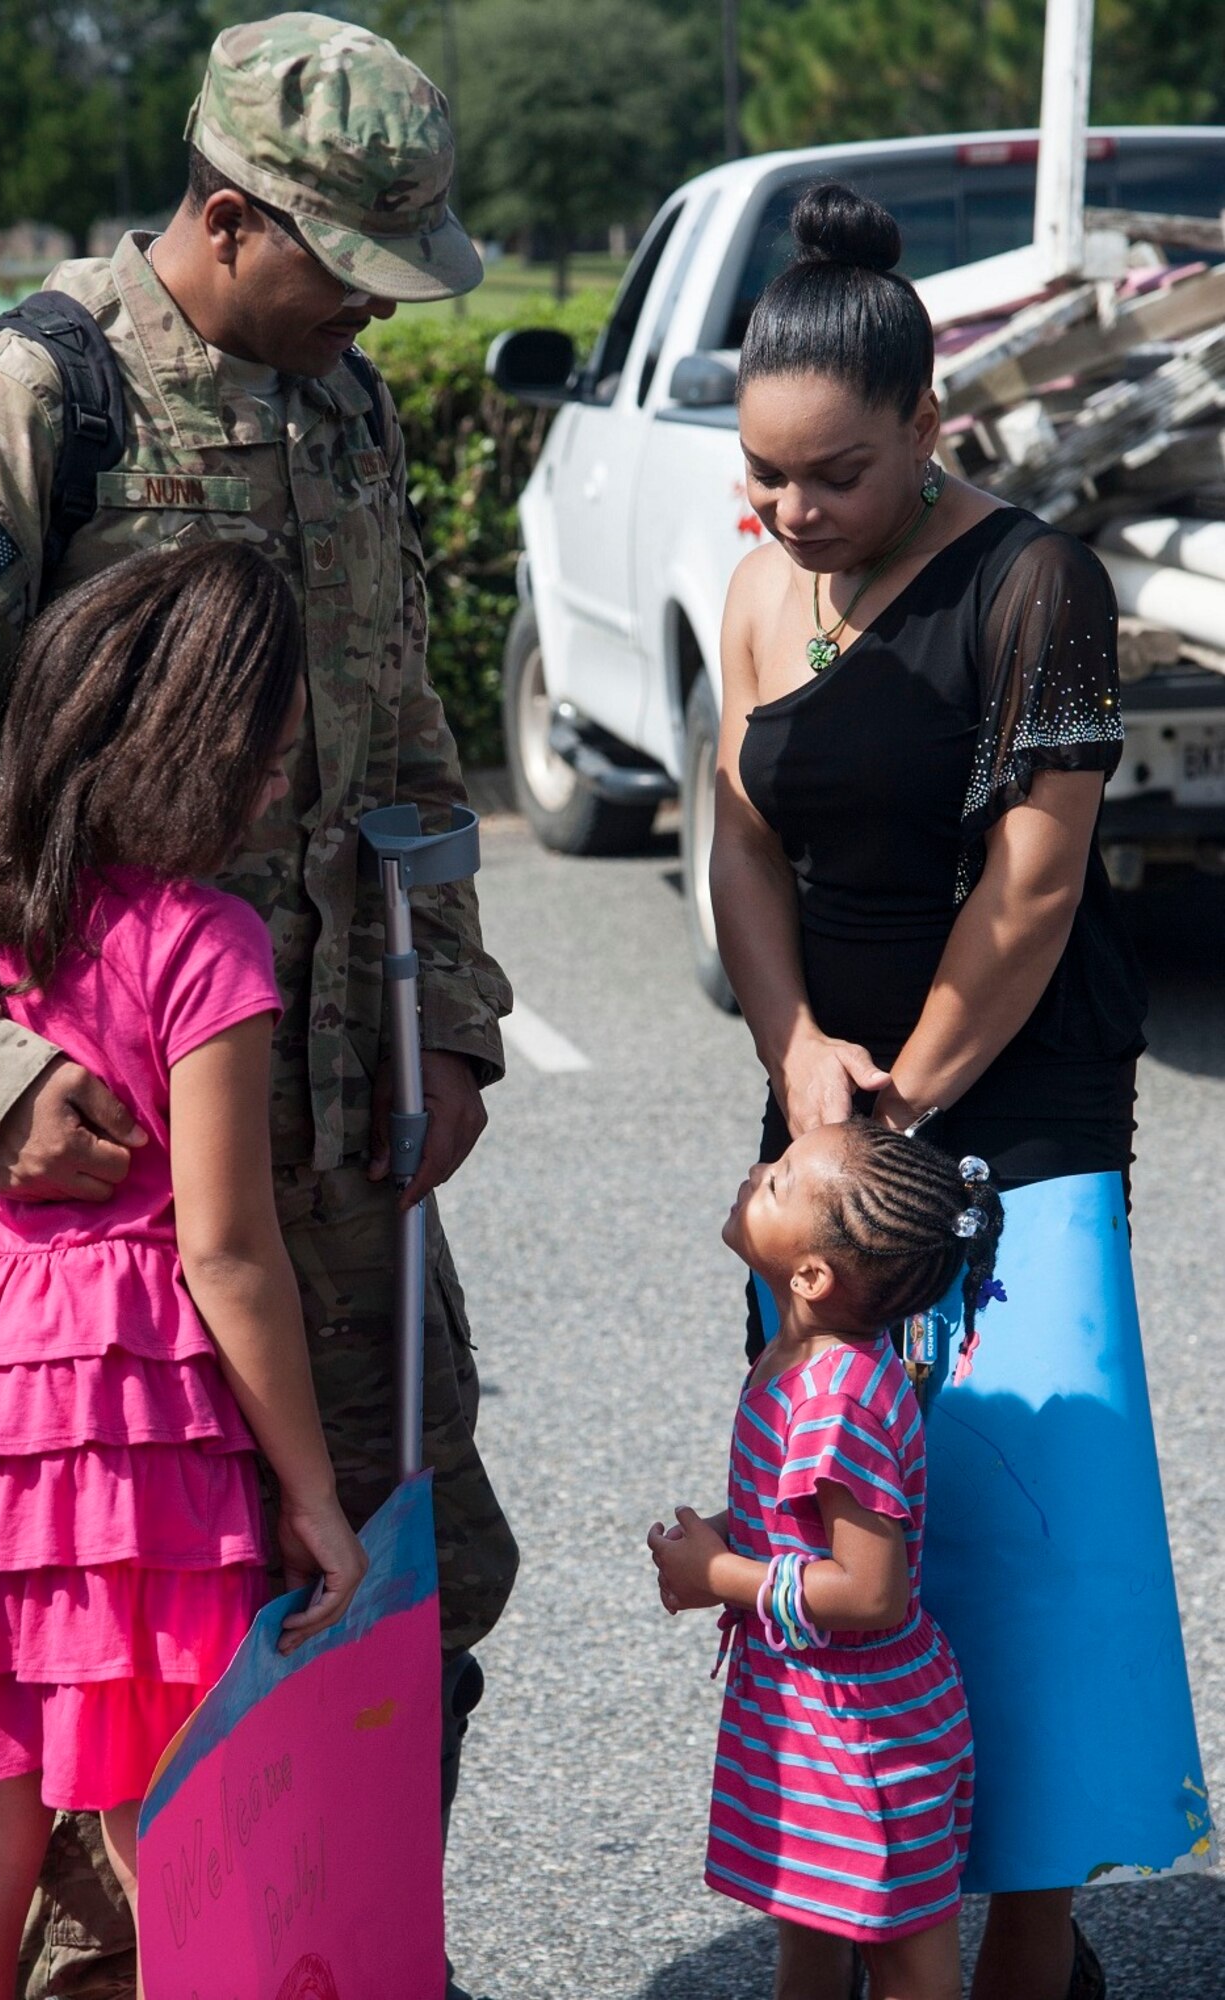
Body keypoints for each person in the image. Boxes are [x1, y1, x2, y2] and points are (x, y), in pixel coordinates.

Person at [0, 16, 517, 2000]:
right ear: (226, 217)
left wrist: (451, 1004)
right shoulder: (10, 412)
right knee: (113, 1677)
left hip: (335, 1147)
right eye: (347, 269)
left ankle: (330, 1956)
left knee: (400, 1587)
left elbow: (406, 732)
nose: (376, 313)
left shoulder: (341, 403)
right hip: (101, 1193)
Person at [708, 181, 1157, 2000]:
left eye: (834, 476)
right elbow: (734, 840)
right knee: (830, 1519)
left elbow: (1033, 887)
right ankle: (847, 1912)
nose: (795, 514)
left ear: (926, 431)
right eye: (767, 476)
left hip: (1015, 1103)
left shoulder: (1033, 581)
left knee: (1030, 1544)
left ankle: (1030, 1951)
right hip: (826, 1104)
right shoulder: (755, 587)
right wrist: (792, 1055)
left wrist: (904, 1105)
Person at [0, 542, 370, 2000]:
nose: (277, 780)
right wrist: (314, 1499)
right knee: (181, 1830)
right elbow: (225, 1244)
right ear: (193, 750)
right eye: (265, 748)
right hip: (127, 1445)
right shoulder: (207, 943)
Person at [648, 1119, 1001, 2000]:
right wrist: (727, 1536)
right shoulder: (799, 1357)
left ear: (810, 1275)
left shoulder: (834, 1399)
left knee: (901, 1949)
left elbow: (872, 1591)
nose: (757, 1170)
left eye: (777, 1184)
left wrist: (719, 1578)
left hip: (865, 1731)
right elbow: (796, 1511)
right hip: (808, 1712)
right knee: (808, 1914)